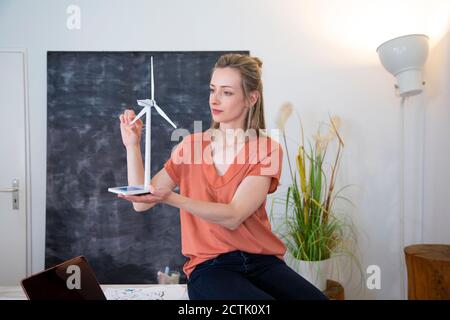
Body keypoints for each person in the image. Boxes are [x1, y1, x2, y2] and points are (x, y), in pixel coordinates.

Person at [117, 53, 327, 300]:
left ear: (251, 98)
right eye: (212, 90)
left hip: (263, 263)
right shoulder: (191, 146)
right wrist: (132, 146)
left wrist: (172, 199)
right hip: (210, 267)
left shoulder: (266, 149)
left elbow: (234, 215)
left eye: (226, 92)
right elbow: (141, 202)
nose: (214, 100)